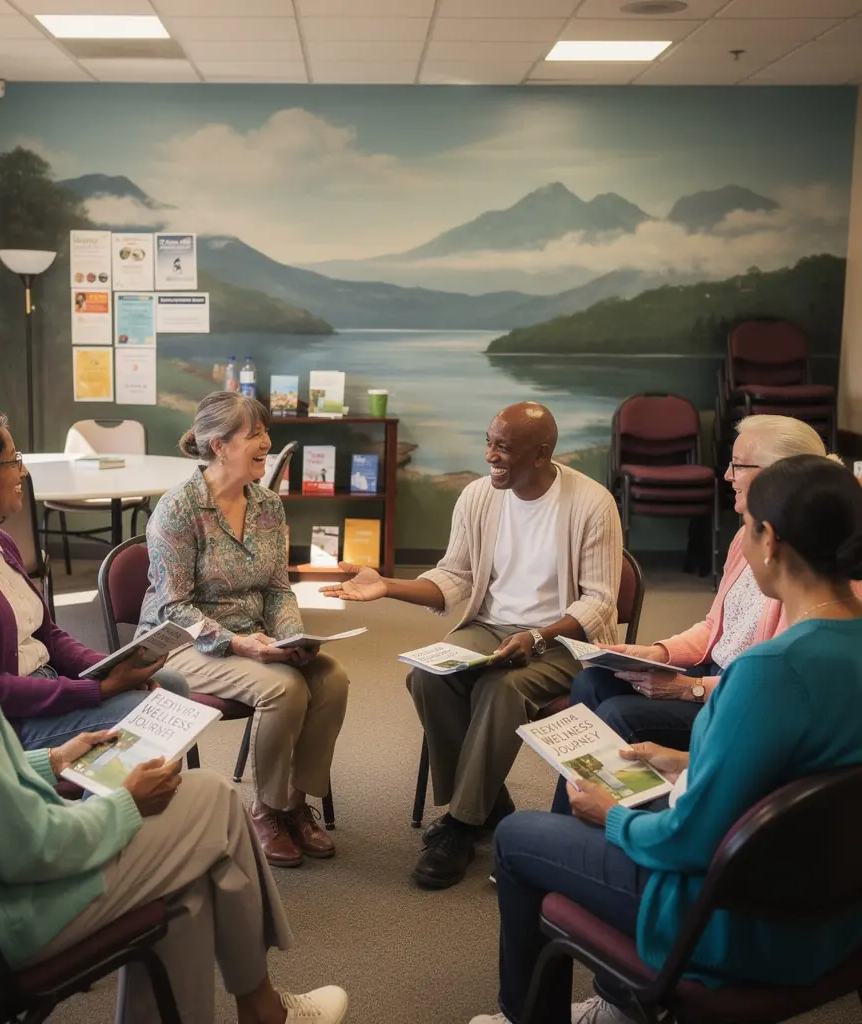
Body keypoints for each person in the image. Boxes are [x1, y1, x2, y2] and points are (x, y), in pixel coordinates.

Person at [0, 460, 348, 1024]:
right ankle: (264, 1009)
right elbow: (35, 849)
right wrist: (128, 803)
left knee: (186, 889)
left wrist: (49, 760)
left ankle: (260, 1009)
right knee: (211, 800)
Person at [469, 454, 862, 1024]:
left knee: (518, 836)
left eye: (746, 528)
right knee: (639, 775)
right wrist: (686, 761)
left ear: (770, 539)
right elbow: (806, 775)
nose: (743, 545)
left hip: (731, 922)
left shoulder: (770, 670)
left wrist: (611, 817)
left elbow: (689, 841)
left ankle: (526, 1016)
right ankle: (620, 1003)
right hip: (835, 916)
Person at [322, 402, 622, 889]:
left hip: (564, 640)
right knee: (427, 676)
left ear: (542, 453)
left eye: (503, 447)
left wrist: (539, 636)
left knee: (499, 691)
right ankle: (486, 801)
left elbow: (601, 602)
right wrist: (388, 586)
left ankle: (461, 825)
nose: (490, 456)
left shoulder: (592, 503)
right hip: (490, 625)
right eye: (488, 442)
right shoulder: (480, 497)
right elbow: (455, 576)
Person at [550, 414, 841, 814]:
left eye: (738, 465)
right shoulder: (746, 534)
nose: (726, 475)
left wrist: (690, 688)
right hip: (718, 674)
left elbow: (773, 684)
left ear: (780, 474)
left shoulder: (807, 567)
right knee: (593, 682)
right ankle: (581, 819)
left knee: (619, 713)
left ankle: (612, 823)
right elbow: (714, 628)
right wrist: (659, 653)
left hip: (735, 697)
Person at [138, 391, 349, 868]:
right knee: (285, 689)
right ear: (218, 446)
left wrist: (293, 638)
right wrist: (239, 644)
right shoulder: (178, 509)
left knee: (331, 678)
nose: (267, 443)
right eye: (254, 435)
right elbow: (174, 607)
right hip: (182, 645)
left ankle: (296, 803)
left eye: (265, 433)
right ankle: (268, 810)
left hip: (255, 639)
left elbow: (278, 589)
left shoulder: (269, 506)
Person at [0, 413, 190, 751]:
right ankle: (106, 801)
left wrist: (108, 668)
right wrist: (100, 689)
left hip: (44, 685)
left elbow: (49, 637)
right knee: (145, 713)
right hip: (6, 721)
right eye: (13, 461)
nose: (22, 471)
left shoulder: (0, 542)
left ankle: (119, 793)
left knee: (170, 685)